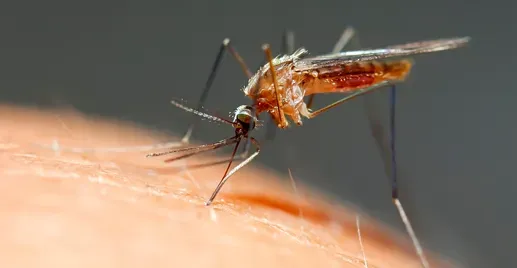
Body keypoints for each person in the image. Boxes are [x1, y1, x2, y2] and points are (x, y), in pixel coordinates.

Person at [0, 104, 444, 267]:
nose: (241, 132)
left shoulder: (264, 102)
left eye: (242, 126)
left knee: (369, 99)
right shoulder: (254, 111)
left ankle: (400, 201)